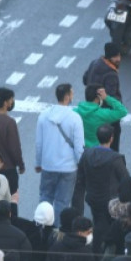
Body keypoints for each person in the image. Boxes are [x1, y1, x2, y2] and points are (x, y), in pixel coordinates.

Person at [73, 125, 130, 249]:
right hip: (111, 200)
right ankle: (107, 248)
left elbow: (80, 178)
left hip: (93, 198)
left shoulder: (87, 154)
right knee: (112, 226)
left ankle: (98, 247)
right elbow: (126, 179)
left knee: (98, 222)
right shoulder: (115, 158)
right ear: (111, 138)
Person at [36, 83, 86, 215]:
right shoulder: (75, 118)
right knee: (62, 202)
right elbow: (79, 146)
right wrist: (81, 165)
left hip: (48, 165)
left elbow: (39, 143)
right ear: (67, 97)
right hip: (68, 167)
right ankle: (57, 227)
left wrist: (38, 163)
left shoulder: (44, 116)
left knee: (45, 197)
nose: (73, 96)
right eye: (72, 93)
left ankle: (43, 223)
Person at [83, 43, 124, 152]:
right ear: (109, 57)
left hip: (92, 108)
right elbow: (110, 97)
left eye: (119, 55)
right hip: (107, 116)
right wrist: (118, 103)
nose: (119, 59)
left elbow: (85, 79)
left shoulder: (94, 63)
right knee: (112, 148)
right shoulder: (111, 74)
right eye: (116, 56)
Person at [76, 84, 128, 151]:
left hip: (81, 148)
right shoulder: (102, 114)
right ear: (98, 97)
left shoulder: (76, 111)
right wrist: (107, 97)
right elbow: (123, 111)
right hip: (96, 150)